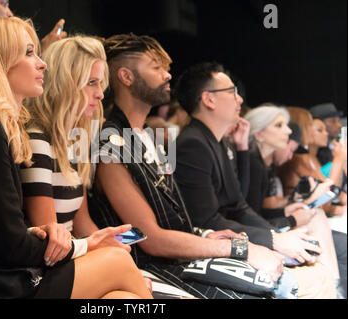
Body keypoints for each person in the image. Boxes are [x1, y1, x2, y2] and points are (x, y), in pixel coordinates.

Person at [0, 16, 151, 299]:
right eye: (29, 52)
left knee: (121, 299)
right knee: (118, 261)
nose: (43, 63)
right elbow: (13, 246)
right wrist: (87, 245)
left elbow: (7, 234)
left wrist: (49, 234)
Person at [88, 33, 288, 299]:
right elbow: (150, 239)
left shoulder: (154, 137)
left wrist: (204, 235)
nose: (167, 75)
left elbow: (175, 220)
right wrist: (240, 248)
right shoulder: (110, 144)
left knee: (281, 283)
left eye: (167, 68)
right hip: (149, 268)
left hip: (178, 260)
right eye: (156, 67)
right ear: (126, 77)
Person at [173, 62, 336, 298]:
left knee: (316, 264)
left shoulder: (213, 142)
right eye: (232, 92)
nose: (240, 100)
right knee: (316, 277)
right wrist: (274, 238)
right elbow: (206, 218)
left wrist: (276, 236)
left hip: (235, 237)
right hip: (215, 244)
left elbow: (238, 203)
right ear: (208, 100)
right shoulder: (192, 144)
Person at [21, 35, 153, 299]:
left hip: (70, 262)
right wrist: (103, 250)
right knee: (120, 263)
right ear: (65, 85)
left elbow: (81, 224)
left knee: (125, 297)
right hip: (41, 273)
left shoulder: (74, 143)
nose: (101, 93)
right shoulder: (37, 142)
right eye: (92, 83)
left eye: (101, 83)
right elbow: (51, 240)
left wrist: (105, 239)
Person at [244, 105, 345, 297]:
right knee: (319, 220)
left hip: (261, 228)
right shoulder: (257, 163)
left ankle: (336, 287)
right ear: (259, 134)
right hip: (256, 233)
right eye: (280, 125)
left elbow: (254, 210)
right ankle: (336, 287)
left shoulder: (262, 165)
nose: (289, 130)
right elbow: (248, 212)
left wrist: (288, 211)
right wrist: (290, 218)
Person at [278, 107, 347, 216]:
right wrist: (339, 160)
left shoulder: (310, 157)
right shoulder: (297, 158)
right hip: (298, 215)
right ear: (301, 127)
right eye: (310, 124)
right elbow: (326, 194)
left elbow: (329, 192)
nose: (325, 133)